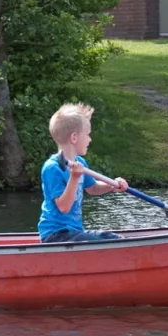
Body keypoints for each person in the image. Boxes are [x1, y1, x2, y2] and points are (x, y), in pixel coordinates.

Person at [38, 102, 128, 243]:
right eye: (88, 134)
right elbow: (64, 207)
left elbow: (93, 188)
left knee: (114, 239)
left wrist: (112, 185)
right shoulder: (52, 168)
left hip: (74, 232)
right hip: (56, 235)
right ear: (74, 137)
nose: (90, 139)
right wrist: (74, 178)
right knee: (100, 243)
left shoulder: (80, 163)